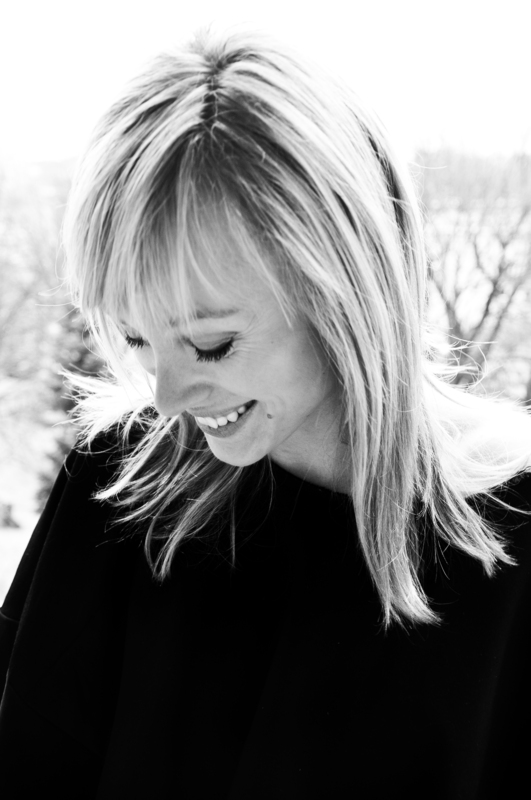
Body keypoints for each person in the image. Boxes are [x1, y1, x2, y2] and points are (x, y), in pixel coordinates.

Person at [1, 28, 531, 800]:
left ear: (346, 293)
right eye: (137, 338)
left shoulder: (513, 541)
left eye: (211, 345)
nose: (167, 397)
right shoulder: (119, 483)